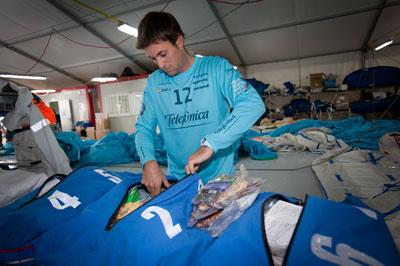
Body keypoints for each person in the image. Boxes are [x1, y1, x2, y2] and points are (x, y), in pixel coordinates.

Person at [135, 11, 265, 196]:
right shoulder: (155, 82)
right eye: (153, 59)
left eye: (163, 54)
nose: (160, 64)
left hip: (220, 181)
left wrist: (210, 144)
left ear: (179, 41)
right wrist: (148, 162)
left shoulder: (216, 68)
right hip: (179, 181)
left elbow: (252, 103)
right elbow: (143, 127)